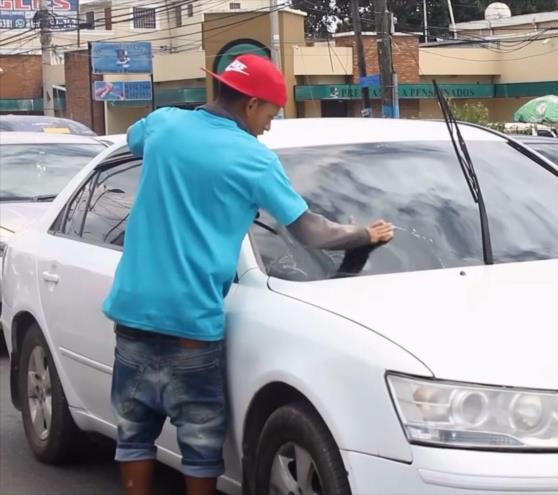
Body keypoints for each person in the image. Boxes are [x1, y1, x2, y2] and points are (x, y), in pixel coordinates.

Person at [102, 54, 394, 495]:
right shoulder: (252, 159)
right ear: (251, 104)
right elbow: (310, 231)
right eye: (271, 114)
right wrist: (363, 234)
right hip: (191, 324)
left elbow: (133, 139)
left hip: (133, 316)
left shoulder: (165, 124)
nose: (270, 126)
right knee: (199, 446)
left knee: (133, 438)